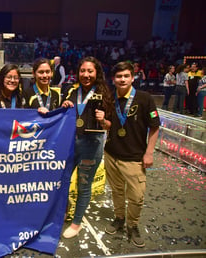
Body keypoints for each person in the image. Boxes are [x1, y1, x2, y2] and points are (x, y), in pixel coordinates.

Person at [104, 61, 160, 248]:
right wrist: (104, 123)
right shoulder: (110, 98)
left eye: (126, 76)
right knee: (117, 191)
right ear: (113, 79)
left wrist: (149, 153)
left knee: (136, 196)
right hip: (112, 154)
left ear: (132, 77)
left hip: (135, 157)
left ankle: (133, 225)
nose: (122, 79)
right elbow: (111, 125)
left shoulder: (145, 98)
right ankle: (119, 218)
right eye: (119, 76)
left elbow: (154, 127)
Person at [62, 56, 113, 238]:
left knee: (84, 185)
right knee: (63, 181)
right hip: (69, 144)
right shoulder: (71, 91)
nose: (86, 75)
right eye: (82, 71)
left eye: (90, 71)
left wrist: (103, 120)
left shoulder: (105, 93)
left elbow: (110, 125)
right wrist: (64, 105)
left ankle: (76, 224)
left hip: (91, 145)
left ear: (97, 73)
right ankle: (64, 210)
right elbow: (64, 114)